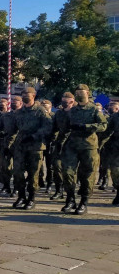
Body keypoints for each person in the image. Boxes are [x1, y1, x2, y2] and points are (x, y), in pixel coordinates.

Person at [61, 84, 106, 215]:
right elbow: (65, 127)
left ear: (87, 93)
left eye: (81, 91)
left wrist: (86, 126)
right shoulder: (73, 110)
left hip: (88, 146)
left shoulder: (93, 109)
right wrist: (60, 142)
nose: (79, 93)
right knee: (67, 172)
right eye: (77, 92)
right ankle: (70, 199)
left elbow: (103, 125)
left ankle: (84, 202)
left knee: (87, 175)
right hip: (72, 145)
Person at [0, 96, 20, 197]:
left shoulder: (23, 115)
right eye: (12, 101)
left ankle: (17, 188)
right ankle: (6, 186)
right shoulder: (6, 116)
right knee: (4, 167)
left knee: (17, 168)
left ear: (21, 103)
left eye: (16, 101)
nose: (13, 103)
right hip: (6, 144)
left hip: (18, 145)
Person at [49, 93, 74, 201]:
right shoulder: (58, 113)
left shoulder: (76, 113)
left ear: (72, 101)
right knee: (56, 167)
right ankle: (59, 190)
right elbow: (53, 128)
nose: (63, 103)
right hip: (59, 143)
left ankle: (71, 194)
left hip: (73, 144)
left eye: (66, 101)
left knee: (69, 171)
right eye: (62, 100)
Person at [100, 101, 119, 205]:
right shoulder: (115, 117)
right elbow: (107, 131)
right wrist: (100, 144)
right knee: (115, 171)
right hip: (116, 148)